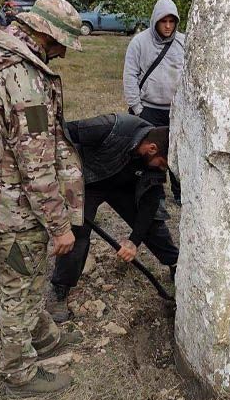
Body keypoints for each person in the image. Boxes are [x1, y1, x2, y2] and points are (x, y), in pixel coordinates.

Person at [0, 0, 86, 397]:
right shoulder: (24, 81)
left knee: (20, 274)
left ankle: (43, 337)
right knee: (20, 285)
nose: (61, 53)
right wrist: (60, 227)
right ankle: (18, 372)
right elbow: (36, 164)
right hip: (12, 205)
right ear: (45, 34)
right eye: (61, 44)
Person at [46, 113, 178, 322]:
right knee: (78, 232)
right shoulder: (111, 127)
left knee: (153, 224)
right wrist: (63, 172)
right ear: (151, 149)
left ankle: (176, 265)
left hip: (125, 188)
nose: (162, 169)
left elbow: (150, 204)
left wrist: (134, 241)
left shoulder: (157, 156)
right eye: (161, 164)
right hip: (88, 182)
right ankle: (60, 289)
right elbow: (61, 133)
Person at [123, 0, 184, 203]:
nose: (167, 26)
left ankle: (179, 193)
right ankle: (152, 195)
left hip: (176, 111)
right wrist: (137, 109)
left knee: (176, 152)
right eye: (163, 21)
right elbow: (130, 76)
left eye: (171, 21)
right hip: (147, 108)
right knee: (150, 154)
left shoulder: (184, 43)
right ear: (155, 21)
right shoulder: (139, 43)